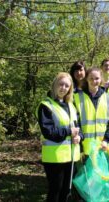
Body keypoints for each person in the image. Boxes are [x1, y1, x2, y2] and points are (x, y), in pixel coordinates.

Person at [37, 72, 81, 202]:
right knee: (55, 190)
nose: (63, 88)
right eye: (61, 84)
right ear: (55, 84)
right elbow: (48, 132)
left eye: (67, 86)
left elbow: (79, 129)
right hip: (54, 157)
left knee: (66, 191)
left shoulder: (72, 106)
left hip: (71, 156)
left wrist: (80, 137)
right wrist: (69, 131)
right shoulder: (45, 105)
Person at [73, 67, 109, 157]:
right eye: (91, 78)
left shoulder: (108, 98)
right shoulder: (77, 97)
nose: (94, 81)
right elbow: (75, 123)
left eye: (97, 78)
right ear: (87, 79)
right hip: (84, 149)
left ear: (101, 80)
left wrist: (106, 140)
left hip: (102, 148)